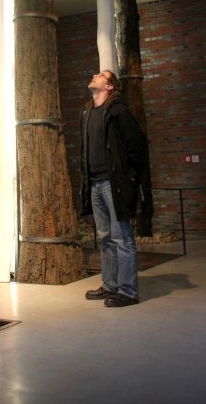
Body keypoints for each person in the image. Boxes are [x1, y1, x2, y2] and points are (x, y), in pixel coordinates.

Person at [79, 70, 152, 307]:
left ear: (109, 87)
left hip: (114, 185)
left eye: (101, 75)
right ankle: (110, 286)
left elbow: (138, 147)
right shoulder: (88, 111)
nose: (94, 75)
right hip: (95, 184)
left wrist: (128, 178)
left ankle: (128, 291)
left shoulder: (119, 111)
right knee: (105, 238)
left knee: (123, 238)